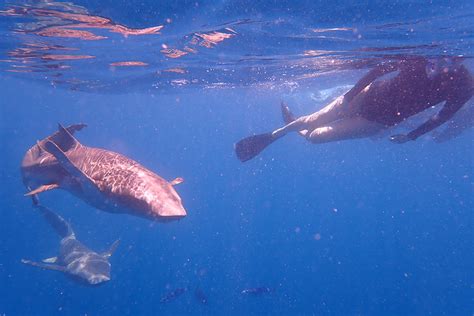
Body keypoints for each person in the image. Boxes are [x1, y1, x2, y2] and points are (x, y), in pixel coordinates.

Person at [235, 56, 473, 162]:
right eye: (441, 58)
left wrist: (412, 136)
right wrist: (350, 96)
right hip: (365, 96)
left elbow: (445, 115)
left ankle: (296, 130)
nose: (443, 64)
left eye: (454, 60)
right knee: (312, 120)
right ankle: (274, 135)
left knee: (315, 138)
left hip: (378, 122)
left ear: (461, 60)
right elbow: (380, 69)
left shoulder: (464, 85)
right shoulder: (420, 58)